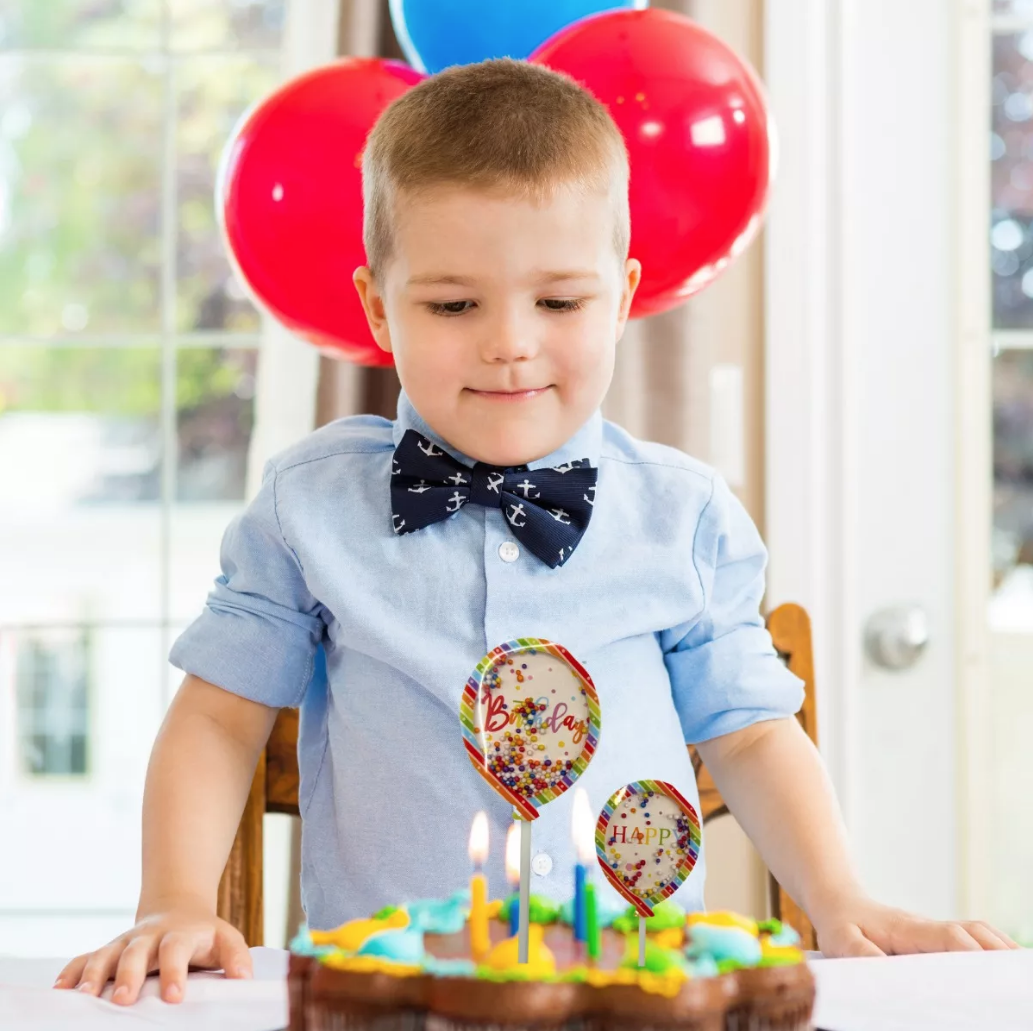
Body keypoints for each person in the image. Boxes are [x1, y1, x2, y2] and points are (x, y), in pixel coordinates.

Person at [56, 58, 1018, 1007]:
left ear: (623, 294)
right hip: (392, 998)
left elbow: (755, 732)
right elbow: (219, 717)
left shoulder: (682, 514)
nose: (509, 341)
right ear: (377, 308)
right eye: (452, 303)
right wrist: (172, 900)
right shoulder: (309, 505)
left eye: (557, 301)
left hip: (632, 994)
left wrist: (840, 899)